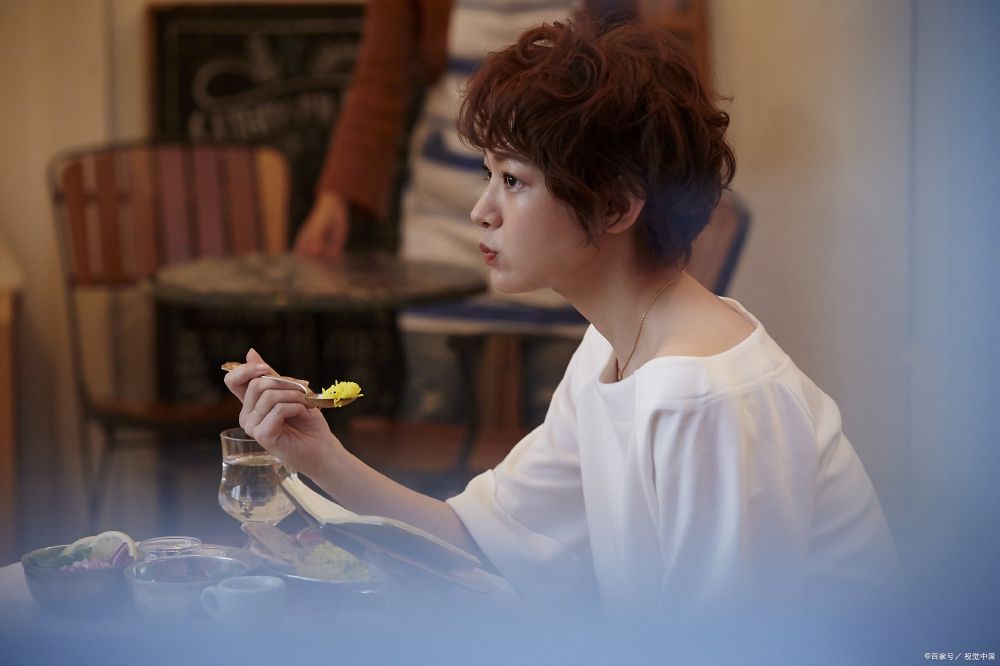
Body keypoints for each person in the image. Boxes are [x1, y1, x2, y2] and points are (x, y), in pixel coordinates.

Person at [226, 19, 898, 618]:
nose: (481, 211)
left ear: (615, 206)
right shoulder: (611, 346)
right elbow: (477, 536)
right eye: (488, 175)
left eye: (513, 180)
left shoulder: (702, 396)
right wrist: (318, 455)